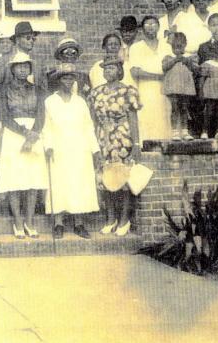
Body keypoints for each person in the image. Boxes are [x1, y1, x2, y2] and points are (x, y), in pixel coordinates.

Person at [43, 64, 102, 240]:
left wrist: (95, 150)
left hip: (80, 149)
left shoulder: (80, 102)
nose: (68, 81)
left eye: (70, 78)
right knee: (59, 183)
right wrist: (48, 146)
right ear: (59, 80)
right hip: (59, 148)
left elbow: (88, 127)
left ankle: (79, 223)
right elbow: (47, 127)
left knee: (79, 184)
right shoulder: (50, 102)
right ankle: (58, 224)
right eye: (64, 78)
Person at [0, 52, 49, 239]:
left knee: (32, 180)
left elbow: (42, 114)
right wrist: (24, 133)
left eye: (25, 66)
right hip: (13, 135)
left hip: (34, 135)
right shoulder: (4, 90)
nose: (22, 69)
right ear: (12, 69)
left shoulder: (38, 89)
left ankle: (29, 220)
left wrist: (33, 135)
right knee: (15, 180)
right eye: (18, 66)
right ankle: (18, 221)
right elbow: (4, 115)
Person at [88, 57, 142, 236]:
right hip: (103, 137)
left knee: (123, 178)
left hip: (122, 137)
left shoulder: (128, 91)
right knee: (105, 179)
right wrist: (94, 142)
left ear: (120, 71)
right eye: (106, 68)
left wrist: (135, 143)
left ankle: (124, 219)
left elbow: (133, 118)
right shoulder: (96, 93)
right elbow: (93, 120)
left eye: (112, 68)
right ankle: (110, 218)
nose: (108, 71)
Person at [128, 16, 172, 141]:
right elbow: (135, 71)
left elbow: (171, 66)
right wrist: (157, 76)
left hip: (165, 88)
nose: (151, 27)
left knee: (164, 117)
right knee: (147, 118)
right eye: (147, 24)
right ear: (142, 29)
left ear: (158, 27)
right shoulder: (136, 47)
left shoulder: (166, 46)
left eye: (153, 24)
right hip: (145, 89)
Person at [162, 32, 198, 140]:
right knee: (174, 108)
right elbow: (164, 67)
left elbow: (195, 69)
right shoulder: (168, 57)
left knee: (184, 108)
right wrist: (175, 59)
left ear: (185, 45)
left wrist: (187, 61)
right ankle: (174, 132)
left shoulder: (189, 57)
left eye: (180, 46)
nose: (178, 49)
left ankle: (185, 131)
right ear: (171, 46)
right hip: (173, 87)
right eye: (175, 46)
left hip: (185, 88)